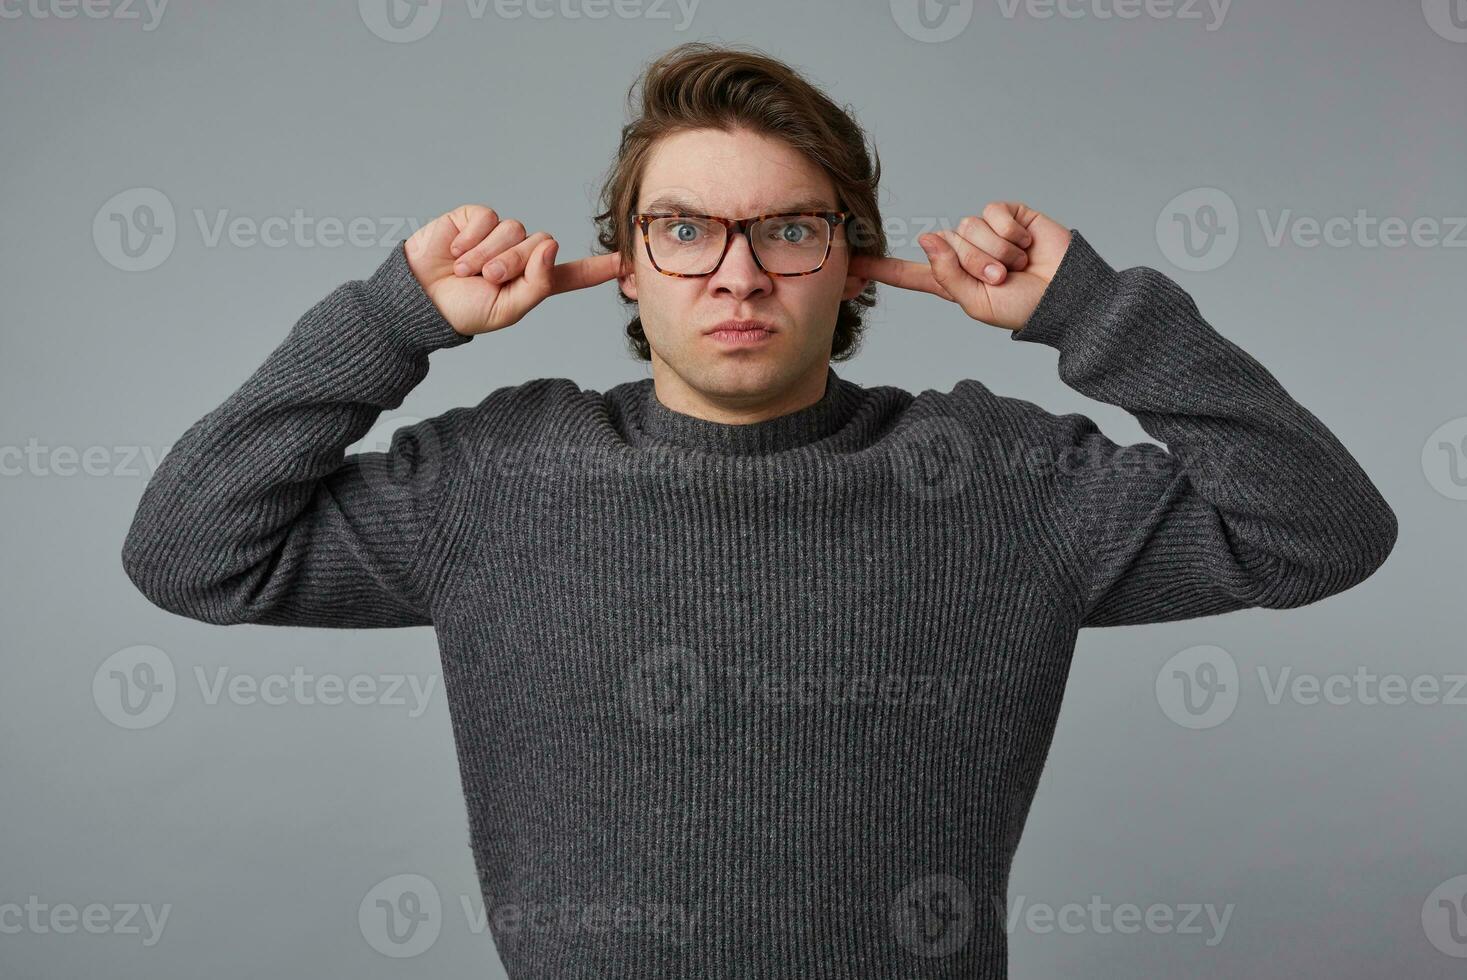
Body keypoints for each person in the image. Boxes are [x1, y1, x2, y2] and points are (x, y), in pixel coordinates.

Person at [120, 42, 1397, 979]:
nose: (736, 272)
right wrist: (393, 319)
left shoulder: (999, 477)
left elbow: (1323, 530)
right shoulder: (502, 473)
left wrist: (1097, 312)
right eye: (684, 229)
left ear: (853, 257)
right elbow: (189, 552)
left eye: (787, 228)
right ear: (625, 259)